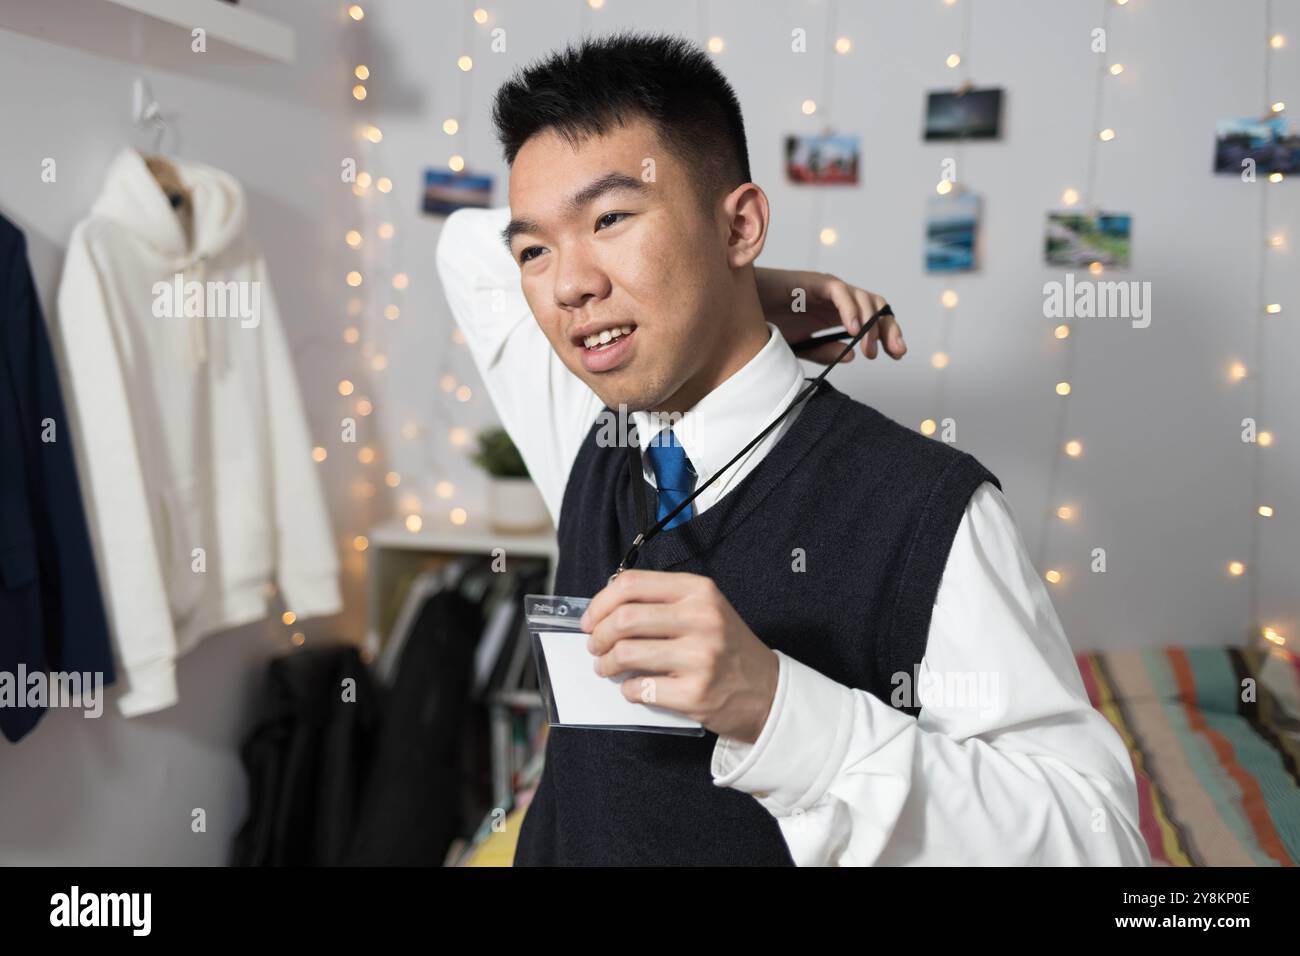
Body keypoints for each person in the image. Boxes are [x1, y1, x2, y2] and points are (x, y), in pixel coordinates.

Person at [436, 32, 1149, 866]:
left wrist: (778, 707)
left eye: (613, 219)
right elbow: (464, 246)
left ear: (742, 223)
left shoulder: (930, 511)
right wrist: (760, 287)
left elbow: (1099, 842)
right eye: (537, 252)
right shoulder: (586, 424)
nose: (568, 285)